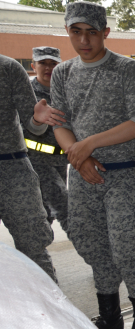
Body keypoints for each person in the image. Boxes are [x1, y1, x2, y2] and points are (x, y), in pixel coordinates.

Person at [52, 1, 135, 329]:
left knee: (127, 245)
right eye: (76, 32)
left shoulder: (126, 69)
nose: (84, 41)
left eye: (92, 33)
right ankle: (110, 315)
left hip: (122, 172)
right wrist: (78, 157)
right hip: (82, 174)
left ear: (105, 33)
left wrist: (88, 145)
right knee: (92, 242)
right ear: (68, 32)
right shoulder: (62, 73)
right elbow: (60, 124)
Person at [0, 55, 64, 283]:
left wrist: (37, 120)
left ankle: (53, 315)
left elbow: (32, 124)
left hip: (13, 170)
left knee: (34, 249)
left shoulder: (8, 68)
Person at [23, 47, 70, 237]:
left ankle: (37, 259)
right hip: (36, 160)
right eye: (43, 63)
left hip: (61, 160)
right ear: (33, 66)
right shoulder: (26, 92)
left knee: (45, 213)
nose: (48, 68)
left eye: (53, 63)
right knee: (64, 206)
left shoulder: (66, 91)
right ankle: (95, 252)